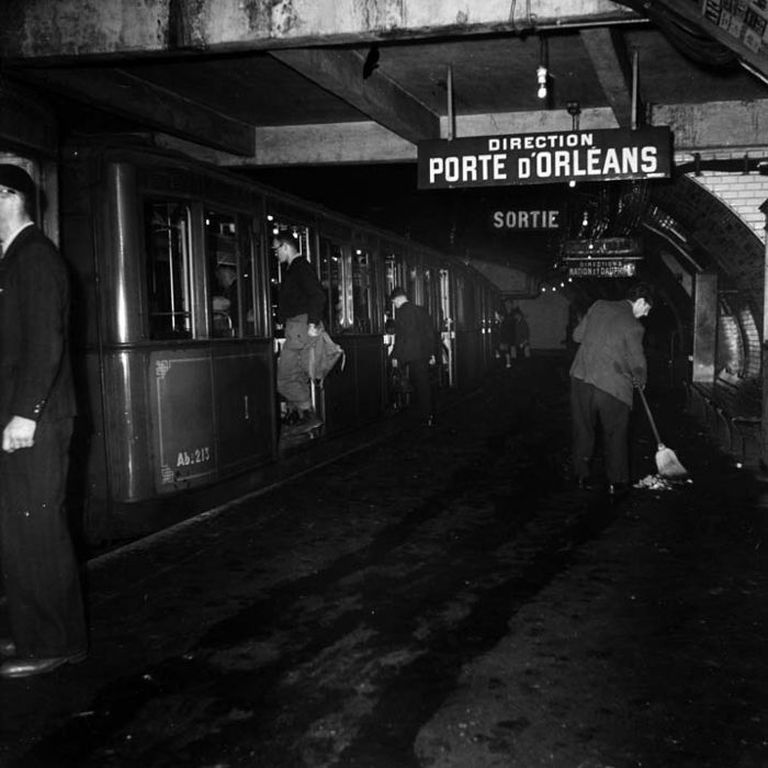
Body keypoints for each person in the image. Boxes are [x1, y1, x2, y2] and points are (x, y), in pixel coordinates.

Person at [0, 164, 88, 678]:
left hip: (36, 419)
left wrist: (24, 414)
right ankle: (35, 635)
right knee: (18, 529)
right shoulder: (14, 260)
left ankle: (58, 641)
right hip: (22, 417)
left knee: (37, 529)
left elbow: (44, 344)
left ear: (9, 197)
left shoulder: (34, 258)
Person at [569, 281, 654, 498]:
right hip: (612, 387)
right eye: (646, 309)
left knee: (583, 430)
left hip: (581, 380)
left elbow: (577, 336)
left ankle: (581, 476)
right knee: (615, 434)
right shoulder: (635, 326)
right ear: (641, 301)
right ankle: (616, 482)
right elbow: (637, 360)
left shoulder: (598, 306)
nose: (644, 315)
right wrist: (640, 379)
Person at [274, 233, 326, 432]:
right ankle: (300, 417)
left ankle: (309, 414)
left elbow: (318, 296)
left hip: (299, 327)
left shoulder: (299, 267)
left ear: (286, 247)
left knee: (284, 379)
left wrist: (312, 323)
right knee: (296, 376)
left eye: (276, 249)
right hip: (297, 326)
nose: (276, 254)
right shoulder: (296, 268)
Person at [390, 286, 437, 426]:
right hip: (422, 354)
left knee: (401, 379)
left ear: (398, 299)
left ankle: (400, 406)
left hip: (407, 354)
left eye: (394, 302)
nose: (395, 305)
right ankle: (427, 415)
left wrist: (395, 355)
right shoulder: (421, 310)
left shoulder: (401, 313)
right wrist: (432, 353)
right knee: (423, 384)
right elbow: (430, 334)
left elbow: (401, 337)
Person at [212, 261, 238, 336]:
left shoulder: (238, 287)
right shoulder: (227, 290)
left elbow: (227, 303)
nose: (219, 279)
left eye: (220, 274)